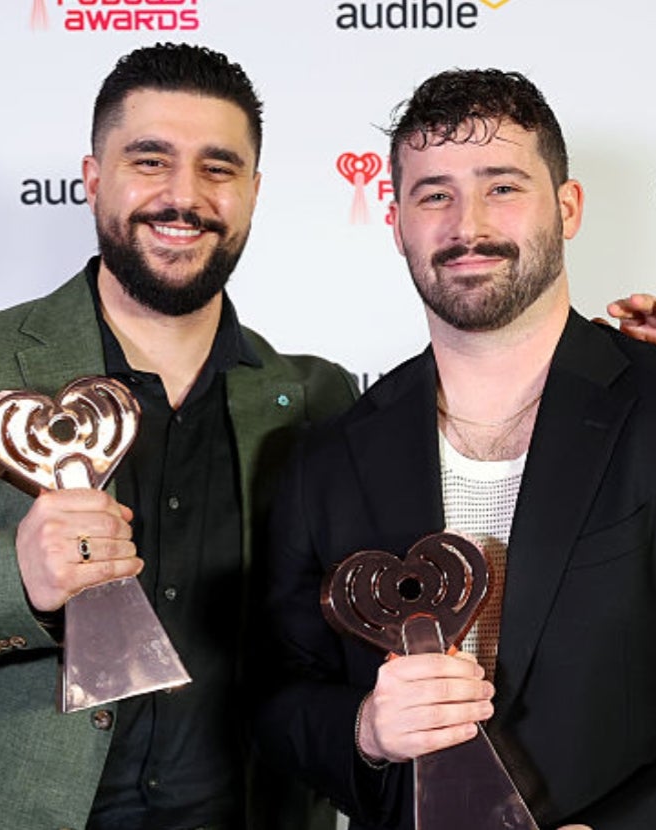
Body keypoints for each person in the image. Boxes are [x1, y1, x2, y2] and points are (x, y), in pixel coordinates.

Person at [256, 68, 656, 830]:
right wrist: (364, 730)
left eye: (501, 187)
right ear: (397, 221)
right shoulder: (327, 455)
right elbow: (279, 694)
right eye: (432, 193)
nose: (466, 224)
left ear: (566, 209)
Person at [0, 43, 358, 830]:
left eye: (217, 169)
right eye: (149, 161)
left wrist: (619, 364)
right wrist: (11, 582)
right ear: (91, 179)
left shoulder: (320, 400)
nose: (182, 196)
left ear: (252, 194)